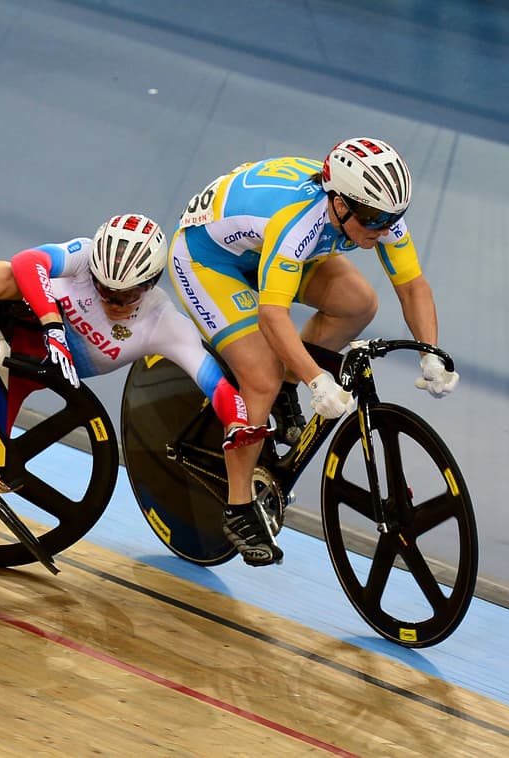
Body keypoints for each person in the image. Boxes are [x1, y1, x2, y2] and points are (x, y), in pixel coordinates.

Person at [0, 213, 270, 511]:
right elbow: (31, 263)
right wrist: (53, 326)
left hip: (9, 374)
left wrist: (235, 423)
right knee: (2, 275)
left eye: (123, 296)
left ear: (150, 284)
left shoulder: (165, 325)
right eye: (102, 288)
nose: (110, 300)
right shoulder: (85, 256)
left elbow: (214, 381)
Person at [168, 137, 458, 566]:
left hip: (266, 250)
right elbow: (272, 315)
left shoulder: (375, 210)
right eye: (374, 220)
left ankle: (281, 396)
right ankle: (238, 504)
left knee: (359, 303)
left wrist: (430, 351)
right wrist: (315, 378)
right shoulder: (298, 224)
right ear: (339, 204)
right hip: (210, 262)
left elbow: (412, 285)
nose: (383, 230)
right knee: (262, 374)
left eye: (392, 219)